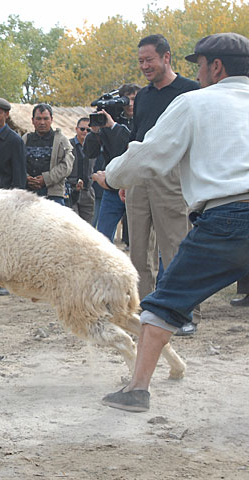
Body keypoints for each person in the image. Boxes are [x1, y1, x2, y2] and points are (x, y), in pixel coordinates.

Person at [94, 33, 249, 412]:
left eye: (200, 65)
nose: (197, 72)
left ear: (215, 66)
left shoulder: (194, 101)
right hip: (228, 212)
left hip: (227, 216)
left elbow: (149, 156)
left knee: (163, 305)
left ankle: (136, 391)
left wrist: (112, 176)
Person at [123, 34, 201, 336]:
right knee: (137, 250)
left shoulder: (191, 92)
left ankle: (185, 313)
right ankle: (147, 311)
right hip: (139, 177)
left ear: (167, 58)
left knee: (175, 247)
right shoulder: (141, 96)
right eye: (141, 61)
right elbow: (137, 136)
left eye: (149, 60)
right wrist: (126, 177)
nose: (144, 66)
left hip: (172, 177)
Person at [85, 83, 140, 241]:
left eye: (134, 100)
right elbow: (90, 152)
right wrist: (95, 131)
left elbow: (132, 145)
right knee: (103, 237)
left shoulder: (142, 120)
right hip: (112, 185)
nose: (129, 104)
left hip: (137, 185)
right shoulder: (109, 121)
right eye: (126, 100)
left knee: (139, 239)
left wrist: (114, 127)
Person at [23, 103, 74, 205]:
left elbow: (67, 166)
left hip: (53, 194)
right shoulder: (25, 139)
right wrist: (26, 178)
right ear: (32, 120)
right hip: (27, 192)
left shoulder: (61, 140)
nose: (42, 122)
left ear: (51, 119)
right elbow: (16, 163)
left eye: (46, 119)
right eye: (38, 118)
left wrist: (46, 179)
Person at [66, 117, 95, 222]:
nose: (85, 132)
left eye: (88, 130)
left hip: (87, 192)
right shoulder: (67, 145)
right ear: (76, 129)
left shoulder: (94, 147)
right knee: (73, 225)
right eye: (82, 129)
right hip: (71, 190)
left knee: (87, 228)